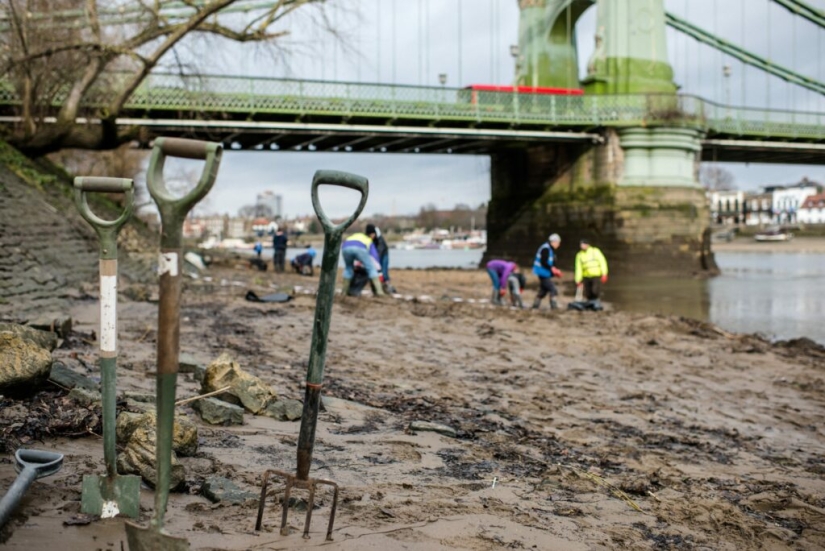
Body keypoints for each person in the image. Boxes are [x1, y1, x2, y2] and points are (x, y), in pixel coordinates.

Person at [341, 225, 385, 296]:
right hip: (360, 248)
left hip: (345, 247)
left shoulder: (357, 235)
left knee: (348, 268)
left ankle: (344, 292)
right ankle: (380, 292)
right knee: (371, 269)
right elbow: (374, 257)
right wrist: (379, 270)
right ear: (372, 234)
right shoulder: (368, 240)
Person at [532, 233, 563, 310]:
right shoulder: (545, 249)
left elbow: (550, 263)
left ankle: (535, 305)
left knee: (543, 290)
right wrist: (553, 269)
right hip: (542, 273)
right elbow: (544, 262)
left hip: (544, 273)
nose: (558, 245)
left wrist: (554, 270)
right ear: (554, 242)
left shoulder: (549, 249)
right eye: (558, 243)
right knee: (553, 289)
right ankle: (553, 305)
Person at [371, 224, 394, 293]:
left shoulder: (380, 239)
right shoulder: (372, 239)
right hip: (378, 255)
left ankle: (387, 285)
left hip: (384, 255)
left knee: (384, 271)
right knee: (379, 271)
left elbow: (380, 250)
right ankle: (381, 285)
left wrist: (376, 259)